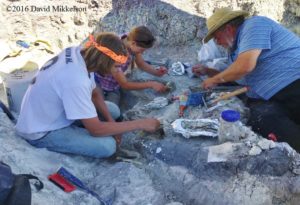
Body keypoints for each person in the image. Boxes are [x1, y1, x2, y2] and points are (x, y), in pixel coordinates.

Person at [15, 33, 161, 158]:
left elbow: (95, 93)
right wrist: (140, 123)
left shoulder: (77, 53)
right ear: (104, 61)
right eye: (115, 67)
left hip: (48, 111)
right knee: (107, 146)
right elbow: (96, 130)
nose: (117, 72)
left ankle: (86, 127)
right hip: (40, 130)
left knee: (113, 111)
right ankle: (71, 134)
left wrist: (112, 122)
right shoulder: (76, 80)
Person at [194, 7, 300, 151]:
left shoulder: (254, 25)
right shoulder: (236, 51)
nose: (217, 43)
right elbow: (235, 76)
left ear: (228, 29)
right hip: (270, 96)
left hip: (294, 82)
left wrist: (214, 80)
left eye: (217, 37)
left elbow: (245, 66)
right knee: (260, 119)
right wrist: (208, 72)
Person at [94, 26, 168, 106]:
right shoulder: (118, 56)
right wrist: (151, 84)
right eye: (141, 50)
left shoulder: (129, 39)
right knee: (112, 112)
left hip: (114, 85)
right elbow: (125, 85)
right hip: (100, 84)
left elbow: (141, 63)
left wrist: (157, 72)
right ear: (133, 43)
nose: (142, 53)